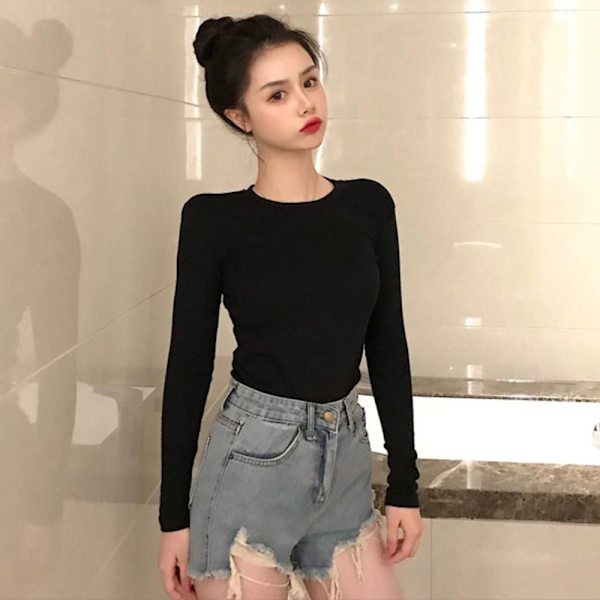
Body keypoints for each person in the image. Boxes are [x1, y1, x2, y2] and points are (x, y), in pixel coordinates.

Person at [157, 13, 423, 600]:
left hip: (346, 460)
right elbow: (188, 366)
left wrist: (405, 484)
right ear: (240, 117)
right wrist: (173, 517)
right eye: (277, 94)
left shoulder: (368, 205)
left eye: (309, 81)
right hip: (250, 466)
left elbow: (388, 343)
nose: (305, 102)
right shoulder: (213, 221)